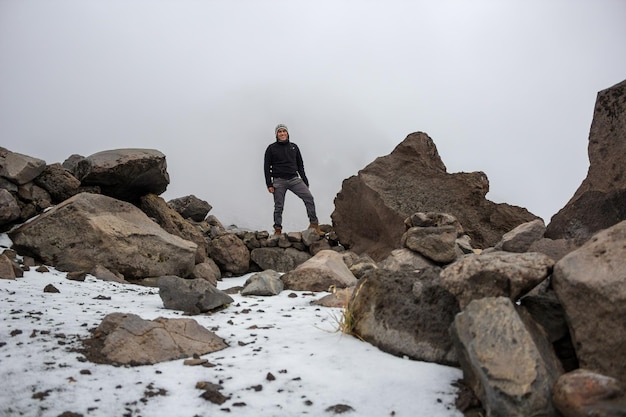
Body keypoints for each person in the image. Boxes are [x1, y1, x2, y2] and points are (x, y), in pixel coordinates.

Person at [264, 124, 323, 236]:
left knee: (309, 198)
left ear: (287, 133)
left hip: (294, 179)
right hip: (279, 181)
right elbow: (266, 167)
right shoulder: (271, 148)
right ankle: (277, 230)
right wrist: (269, 184)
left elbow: (300, 165)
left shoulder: (294, 147)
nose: (282, 133)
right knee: (279, 206)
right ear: (276, 134)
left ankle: (314, 225)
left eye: (284, 131)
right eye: (279, 132)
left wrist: (305, 180)